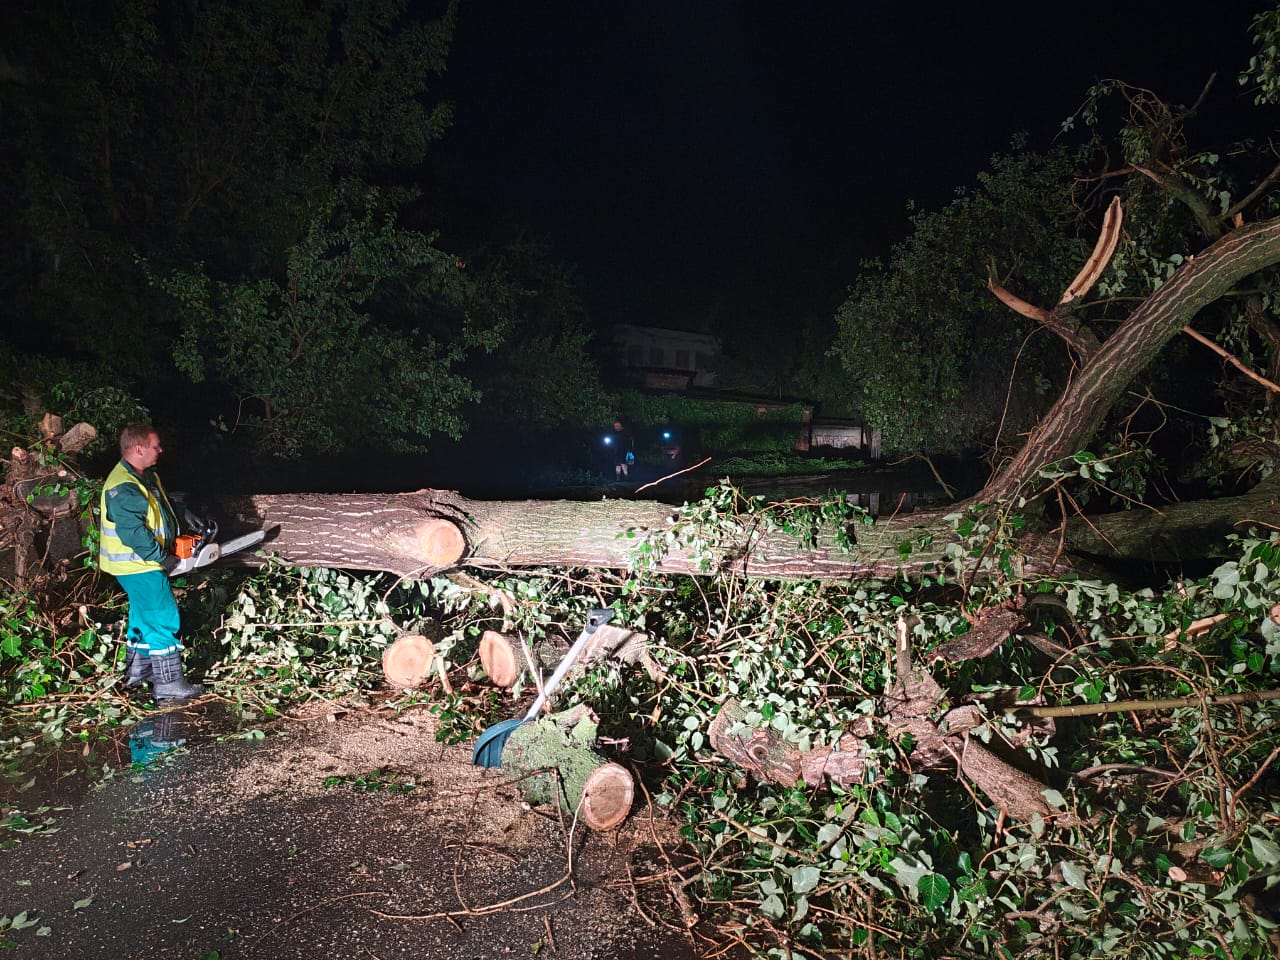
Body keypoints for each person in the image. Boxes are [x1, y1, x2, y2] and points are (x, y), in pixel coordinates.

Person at [98, 424, 203, 700]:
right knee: (161, 617)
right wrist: (164, 559)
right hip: (138, 563)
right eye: (156, 446)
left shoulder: (145, 476)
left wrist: (184, 512)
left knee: (142, 616)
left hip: (138, 564)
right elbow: (132, 532)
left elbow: (161, 506)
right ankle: (168, 683)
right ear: (139, 448)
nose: (161, 450)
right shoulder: (123, 486)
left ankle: (138, 672)